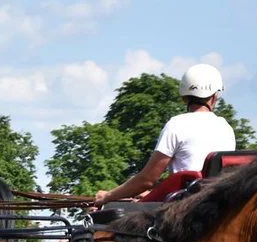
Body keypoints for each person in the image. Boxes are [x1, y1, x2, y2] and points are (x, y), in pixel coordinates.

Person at [94, 64, 235, 207]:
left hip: (182, 210)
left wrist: (107, 196)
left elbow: (146, 180)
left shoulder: (177, 125)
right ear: (214, 96)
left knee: (105, 216)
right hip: (217, 207)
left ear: (184, 97)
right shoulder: (227, 129)